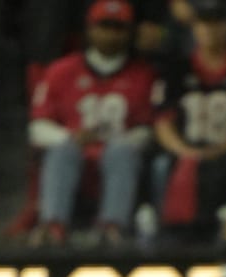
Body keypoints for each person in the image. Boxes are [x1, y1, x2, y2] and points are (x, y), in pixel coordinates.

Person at [27, 0, 157, 245]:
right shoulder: (60, 71)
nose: (110, 35)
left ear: (130, 32)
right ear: (89, 29)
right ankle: (53, 225)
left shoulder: (144, 75)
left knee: (121, 151)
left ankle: (112, 226)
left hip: (120, 154)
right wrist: (70, 137)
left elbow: (149, 130)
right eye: (104, 27)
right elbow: (37, 128)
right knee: (62, 150)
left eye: (118, 28)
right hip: (72, 152)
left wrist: (116, 140)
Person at [150, 0, 226, 238]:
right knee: (161, 166)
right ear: (194, 29)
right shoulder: (177, 69)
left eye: (216, 23)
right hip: (184, 151)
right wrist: (184, 150)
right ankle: (166, 233)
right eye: (203, 24)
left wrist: (218, 150)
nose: (210, 31)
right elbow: (162, 121)